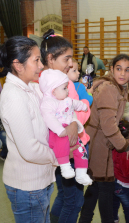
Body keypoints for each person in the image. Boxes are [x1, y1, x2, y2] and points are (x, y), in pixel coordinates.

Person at [0, 36, 58, 222]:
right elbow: (29, 149)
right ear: (18, 65)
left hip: (40, 180)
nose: (41, 66)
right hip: (27, 186)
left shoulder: (30, 87)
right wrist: (60, 156)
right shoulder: (14, 96)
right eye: (36, 60)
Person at [78, 54, 129, 222]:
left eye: (127, 70)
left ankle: (85, 219)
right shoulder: (110, 88)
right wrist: (124, 145)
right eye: (118, 69)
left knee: (95, 187)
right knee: (106, 188)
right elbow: (108, 125)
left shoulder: (118, 86)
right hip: (100, 144)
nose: (122, 74)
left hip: (99, 141)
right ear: (111, 69)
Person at [40, 29, 90, 223]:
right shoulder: (49, 84)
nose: (70, 64)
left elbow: (81, 109)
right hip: (62, 146)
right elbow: (49, 115)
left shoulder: (62, 80)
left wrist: (74, 122)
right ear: (51, 59)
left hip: (73, 141)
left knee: (64, 196)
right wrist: (71, 124)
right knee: (74, 201)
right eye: (66, 59)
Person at [39, 69, 92, 185]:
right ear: (53, 92)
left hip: (70, 130)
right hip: (58, 132)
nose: (67, 91)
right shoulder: (48, 103)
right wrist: (60, 130)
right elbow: (48, 118)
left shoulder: (67, 100)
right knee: (61, 146)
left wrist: (83, 107)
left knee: (81, 149)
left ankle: (81, 173)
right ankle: (65, 166)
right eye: (64, 88)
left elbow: (75, 104)